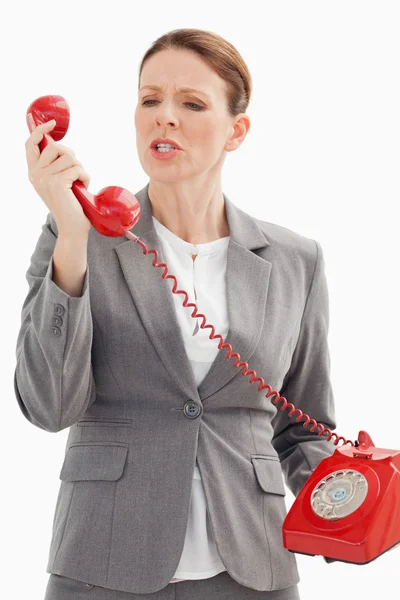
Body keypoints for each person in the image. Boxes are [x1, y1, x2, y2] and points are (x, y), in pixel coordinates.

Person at [16, 28, 337, 600]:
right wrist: (71, 233)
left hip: (252, 566)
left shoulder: (296, 261)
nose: (164, 117)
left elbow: (304, 426)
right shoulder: (76, 232)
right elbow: (46, 404)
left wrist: (344, 506)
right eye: (149, 100)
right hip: (104, 559)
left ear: (236, 131)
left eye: (191, 103)